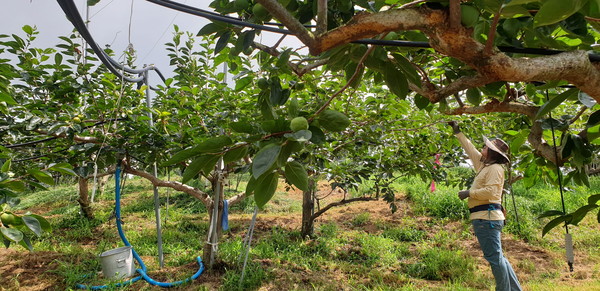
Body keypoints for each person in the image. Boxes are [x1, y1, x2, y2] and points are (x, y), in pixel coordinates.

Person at [448, 121, 522, 291]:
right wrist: (458, 133)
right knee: (498, 257)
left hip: (486, 218)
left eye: (485, 147)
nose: (482, 148)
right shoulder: (484, 166)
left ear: (491, 153)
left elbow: (490, 192)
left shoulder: (495, 169)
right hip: (485, 218)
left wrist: (469, 193)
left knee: (495, 258)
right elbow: (471, 150)